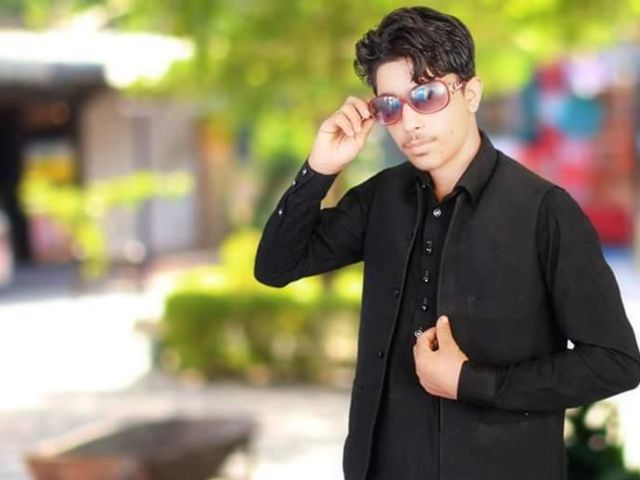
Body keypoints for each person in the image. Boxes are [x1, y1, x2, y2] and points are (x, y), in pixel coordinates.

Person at [253, 6, 640, 480]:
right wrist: (320, 168)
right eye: (390, 106)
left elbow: (615, 362)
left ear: (470, 94)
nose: (409, 123)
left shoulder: (545, 211)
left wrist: (471, 381)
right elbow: (275, 266)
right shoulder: (380, 199)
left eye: (427, 95)